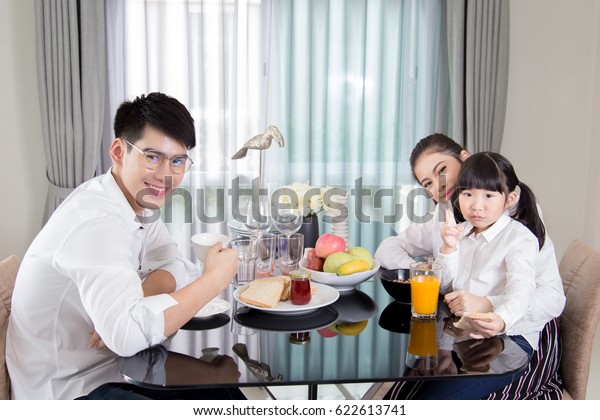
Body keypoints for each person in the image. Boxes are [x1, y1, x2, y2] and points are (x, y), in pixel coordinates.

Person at [6, 92, 241, 400]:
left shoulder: (137, 203)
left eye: (178, 161)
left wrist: (136, 299)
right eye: (152, 157)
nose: (166, 175)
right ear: (119, 152)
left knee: (225, 394)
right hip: (69, 390)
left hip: (116, 369)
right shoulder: (96, 220)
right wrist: (214, 280)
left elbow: (176, 265)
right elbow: (126, 337)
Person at [376, 134, 565, 399]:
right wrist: (422, 272)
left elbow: (550, 297)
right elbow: (388, 248)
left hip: (513, 333)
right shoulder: (449, 219)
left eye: (442, 170)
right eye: (428, 182)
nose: (439, 185)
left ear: (465, 159)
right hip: (459, 330)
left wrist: (489, 304)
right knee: (404, 390)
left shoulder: (516, 222)